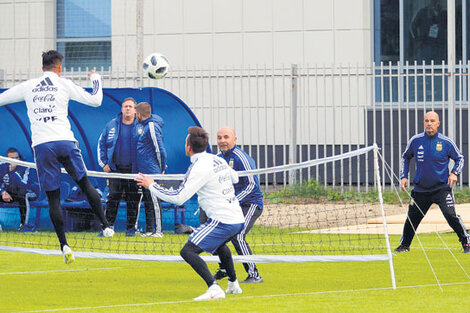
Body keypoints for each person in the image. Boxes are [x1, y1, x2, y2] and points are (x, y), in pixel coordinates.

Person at [0, 50, 114, 264]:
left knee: (53, 198)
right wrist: (96, 79)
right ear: (59, 68)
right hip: (65, 141)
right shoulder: (64, 84)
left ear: (42, 66)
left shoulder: (28, 86)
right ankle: (106, 225)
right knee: (85, 182)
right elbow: (96, 100)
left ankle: (64, 246)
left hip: (43, 146)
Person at [135, 126, 245, 301]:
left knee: (188, 251)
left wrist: (151, 185)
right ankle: (234, 284)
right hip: (237, 218)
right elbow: (235, 178)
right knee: (219, 246)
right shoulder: (217, 160)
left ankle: (214, 288)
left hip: (223, 220)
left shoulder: (199, 167)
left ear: (189, 148)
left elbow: (179, 197)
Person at [396, 111, 470, 254]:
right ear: (424, 123)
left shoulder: (446, 142)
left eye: (432, 121)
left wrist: (454, 173)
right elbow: (405, 157)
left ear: (438, 123)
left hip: (442, 188)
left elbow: (460, 158)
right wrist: (403, 176)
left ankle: (466, 243)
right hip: (420, 190)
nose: (429, 123)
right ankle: (404, 246)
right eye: (426, 121)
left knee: (451, 215)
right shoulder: (416, 141)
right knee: (412, 218)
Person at [212, 126, 264, 283]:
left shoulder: (242, 158)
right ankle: (224, 269)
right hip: (231, 204)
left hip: (251, 203)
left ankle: (254, 275)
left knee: (238, 235)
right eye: (219, 137)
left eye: (226, 137)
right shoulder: (217, 158)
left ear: (234, 139)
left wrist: (231, 201)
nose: (222, 141)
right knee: (215, 234)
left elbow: (251, 186)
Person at [98, 97, 140, 236]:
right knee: (112, 198)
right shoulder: (111, 125)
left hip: (133, 171)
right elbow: (101, 144)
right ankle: (107, 228)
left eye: (130, 107)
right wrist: (104, 163)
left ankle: (130, 229)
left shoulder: (141, 126)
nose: (127, 109)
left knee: (133, 199)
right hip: (115, 170)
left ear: (135, 110)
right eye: (125, 106)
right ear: (121, 109)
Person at [135, 101, 167, 237]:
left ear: (139, 114)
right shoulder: (144, 126)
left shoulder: (152, 126)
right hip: (144, 171)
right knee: (147, 200)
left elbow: (160, 149)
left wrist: (160, 169)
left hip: (153, 171)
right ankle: (149, 230)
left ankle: (159, 231)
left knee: (154, 200)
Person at [0, 148, 39, 231]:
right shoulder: (2, 166)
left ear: (19, 158)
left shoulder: (25, 166)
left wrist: (12, 172)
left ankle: (24, 225)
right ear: (7, 158)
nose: (14, 160)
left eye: (16, 158)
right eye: (11, 158)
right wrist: (2, 192)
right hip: (11, 192)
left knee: (23, 195)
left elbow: (24, 186)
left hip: (30, 191)